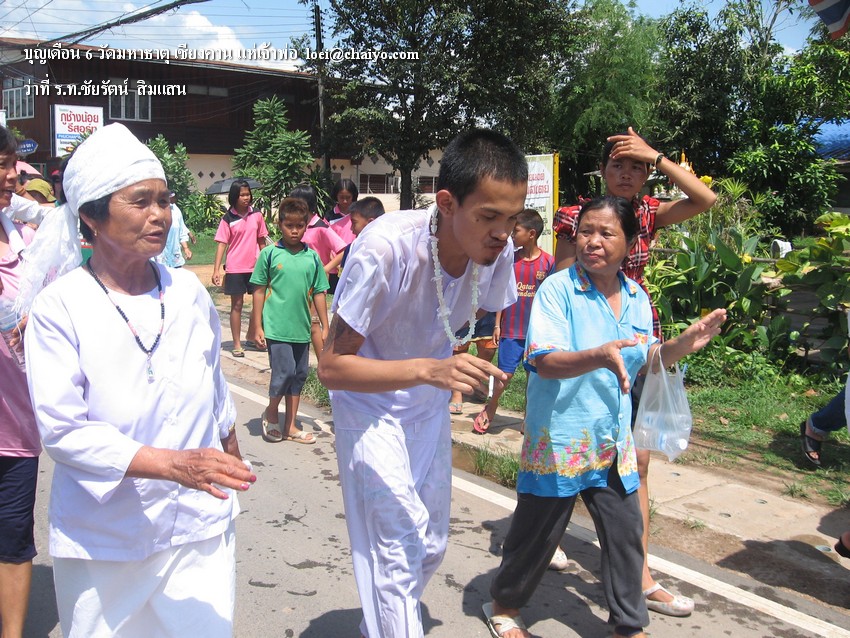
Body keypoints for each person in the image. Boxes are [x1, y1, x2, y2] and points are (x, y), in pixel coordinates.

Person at [24, 123, 256, 637]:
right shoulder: (61, 307)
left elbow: (213, 383)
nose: (160, 215)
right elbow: (64, 431)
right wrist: (173, 465)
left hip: (198, 525)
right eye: (141, 201)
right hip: (107, 537)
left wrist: (229, 445)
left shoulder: (187, 292)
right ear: (92, 215)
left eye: (165, 200)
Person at [484, 196, 726, 638]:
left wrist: (679, 347)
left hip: (612, 439)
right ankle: (503, 604)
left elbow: (645, 357)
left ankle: (628, 625)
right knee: (536, 534)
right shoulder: (558, 289)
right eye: (586, 231)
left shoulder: (636, 297)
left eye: (606, 233)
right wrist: (598, 355)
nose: (592, 241)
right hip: (560, 437)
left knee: (625, 534)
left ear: (630, 243)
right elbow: (543, 360)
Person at [318, 128, 527, 638]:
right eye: (489, 217)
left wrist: (456, 373)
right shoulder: (386, 248)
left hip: (426, 404)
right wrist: (433, 369)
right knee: (398, 542)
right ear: (447, 203)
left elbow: (469, 319)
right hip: (367, 405)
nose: (503, 234)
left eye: (512, 218)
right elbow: (332, 368)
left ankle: (383, 625)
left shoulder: (496, 253)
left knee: (431, 544)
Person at [553, 127, 716, 616]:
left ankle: (639, 577)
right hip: (586, 349)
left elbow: (705, 199)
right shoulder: (577, 217)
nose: (626, 174)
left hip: (640, 347)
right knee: (572, 455)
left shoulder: (648, 214)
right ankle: (541, 534)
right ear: (603, 170)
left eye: (636, 167)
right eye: (618, 164)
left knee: (636, 463)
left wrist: (658, 156)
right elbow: (561, 282)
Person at [0, 126, 40, 638]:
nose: (12, 175)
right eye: (2, 165)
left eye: (13, 164)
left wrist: (37, 316)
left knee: (13, 538)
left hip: (16, 426)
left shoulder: (26, 241)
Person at [248, 197, 329, 444]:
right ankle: (272, 412)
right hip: (276, 326)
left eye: (299, 226)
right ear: (279, 225)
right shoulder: (269, 254)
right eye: (289, 225)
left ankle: (290, 426)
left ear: (306, 226)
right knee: (284, 372)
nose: (294, 231)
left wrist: (325, 325)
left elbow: (319, 292)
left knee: (299, 375)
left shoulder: (312, 257)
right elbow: (259, 291)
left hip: (301, 327)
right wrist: (257, 326)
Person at [471, 208, 554, 433]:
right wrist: (497, 324)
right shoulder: (510, 259)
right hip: (510, 330)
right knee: (504, 375)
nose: (511, 234)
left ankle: (529, 417)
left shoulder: (549, 263)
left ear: (531, 234)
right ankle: (490, 408)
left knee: (532, 377)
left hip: (536, 333)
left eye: (516, 230)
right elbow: (501, 294)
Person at [212, 179, 269, 357]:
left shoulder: (257, 215)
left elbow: (261, 240)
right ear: (234, 197)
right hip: (235, 267)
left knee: (260, 303)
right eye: (242, 195)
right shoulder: (228, 218)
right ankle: (237, 344)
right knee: (236, 305)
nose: (246, 198)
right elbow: (222, 244)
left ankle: (253, 337)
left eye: (248, 194)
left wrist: (267, 263)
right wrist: (216, 270)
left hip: (255, 267)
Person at [292, 183, 347, 357]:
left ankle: (323, 364)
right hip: (297, 281)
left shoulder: (321, 227)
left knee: (314, 324)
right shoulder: (297, 226)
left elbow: (343, 250)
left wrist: (326, 269)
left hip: (315, 284)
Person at [448, 312, 499, 418]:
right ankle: (457, 392)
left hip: (488, 311)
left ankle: (473, 382)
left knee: (488, 350)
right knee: (458, 348)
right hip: (466, 308)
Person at [322, 196, 386, 276]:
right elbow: (342, 278)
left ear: (370, 223)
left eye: (354, 223)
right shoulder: (350, 250)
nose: (351, 229)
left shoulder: (387, 252)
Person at [325, 178, 358, 291]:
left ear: (353, 196)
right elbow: (326, 242)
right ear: (336, 196)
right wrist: (336, 263)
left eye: (348, 197)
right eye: (341, 197)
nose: (344, 201)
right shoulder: (329, 217)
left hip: (354, 263)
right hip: (334, 267)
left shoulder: (359, 214)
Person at [155, 192, 192, 268]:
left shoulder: (175, 210)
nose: (172, 199)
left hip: (174, 255)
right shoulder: (154, 211)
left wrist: (186, 248)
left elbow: (181, 230)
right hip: (159, 257)